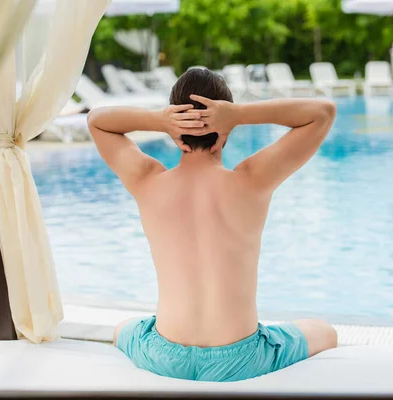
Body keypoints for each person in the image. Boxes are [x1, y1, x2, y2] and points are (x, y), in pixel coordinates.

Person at [87, 68, 338, 382]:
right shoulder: (252, 181)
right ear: (227, 128)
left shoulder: (147, 180)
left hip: (164, 356)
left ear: (174, 128)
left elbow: (97, 120)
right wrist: (239, 114)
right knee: (324, 331)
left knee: (123, 328)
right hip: (241, 358)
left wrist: (160, 121)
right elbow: (322, 112)